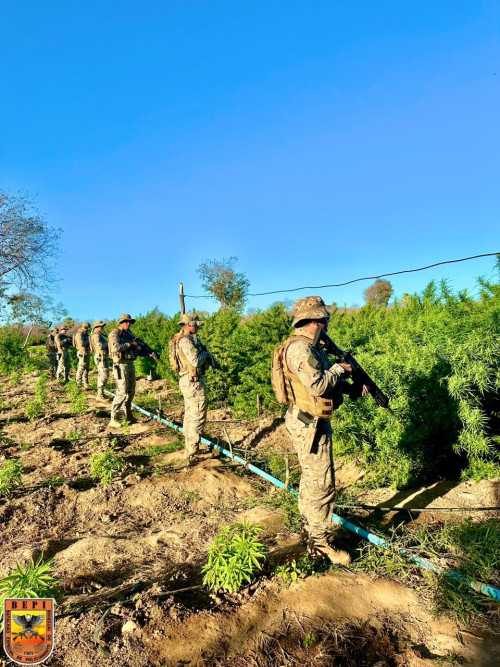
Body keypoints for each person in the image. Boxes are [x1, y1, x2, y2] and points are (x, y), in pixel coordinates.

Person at [278, 296, 368, 565]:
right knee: (322, 484)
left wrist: (350, 387)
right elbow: (317, 386)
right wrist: (340, 369)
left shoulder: (309, 347)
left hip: (308, 420)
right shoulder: (300, 349)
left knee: (312, 480)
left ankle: (311, 529)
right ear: (315, 321)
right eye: (325, 320)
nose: (327, 325)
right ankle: (320, 544)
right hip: (310, 425)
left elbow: (319, 385)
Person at [171, 313, 218, 464]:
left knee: (190, 415)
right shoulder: (186, 341)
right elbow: (196, 361)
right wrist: (205, 352)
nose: (198, 327)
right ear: (189, 325)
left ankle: (189, 449)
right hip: (193, 383)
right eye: (196, 324)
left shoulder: (184, 339)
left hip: (188, 381)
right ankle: (192, 452)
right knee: (197, 415)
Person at [108, 314, 156, 428]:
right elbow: (115, 348)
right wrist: (130, 344)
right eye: (126, 322)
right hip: (121, 365)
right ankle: (113, 418)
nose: (128, 324)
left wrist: (147, 353)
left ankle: (129, 415)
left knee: (131, 391)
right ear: (121, 322)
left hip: (130, 364)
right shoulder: (115, 333)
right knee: (122, 391)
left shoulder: (130, 334)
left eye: (129, 322)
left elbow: (136, 352)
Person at [90, 321, 109, 399]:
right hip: (100, 357)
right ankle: (100, 394)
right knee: (104, 375)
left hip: (102, 357)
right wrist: (109, 343)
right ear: (96, 327)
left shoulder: (99, 335)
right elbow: (100, 346)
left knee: (102, 375)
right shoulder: (96, 336)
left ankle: (101, 393)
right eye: (101, 327)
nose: (102, 328)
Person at [73, 322, 91, 389]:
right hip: (82, 352)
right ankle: (78, 384)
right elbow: (82, 344)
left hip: (86, 352)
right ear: (82, 327)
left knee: (86, 369)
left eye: (87, 328)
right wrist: (89, 340)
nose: (86, 329)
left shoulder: (85, 334)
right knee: (81, 368)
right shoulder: (79, 334)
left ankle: (86, 383)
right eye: (85, 328)